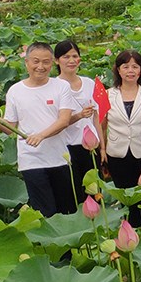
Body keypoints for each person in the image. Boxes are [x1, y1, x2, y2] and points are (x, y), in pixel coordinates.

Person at [0, 42, 81, 216]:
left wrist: (41, 136)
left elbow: (64, 120)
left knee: (66, 210)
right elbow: (10, 128)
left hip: (59, 158)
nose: (41, 66)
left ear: (52, 63)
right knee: (45, 211)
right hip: (31, 160)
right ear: (27, 63)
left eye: (46, 62)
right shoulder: (15, 91)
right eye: (36, 61)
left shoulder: (61, 87)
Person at [101, 49, 141, 224]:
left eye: (135, 66)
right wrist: (102, 149)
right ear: (118, 70)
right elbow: (102, 125)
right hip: (117, 153)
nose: (130, 71)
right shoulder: (107, 95)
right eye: (126, 66)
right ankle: (128, 232)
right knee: (125, 197)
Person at [54, 39, 98, 193]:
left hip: (91, 147)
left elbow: (97, 118)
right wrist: (79, 115)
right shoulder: (53, 86)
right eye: (66, 57)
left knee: (94, 191)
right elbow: (56, 122)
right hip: (65, 147)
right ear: (57, 60)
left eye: (75, 56)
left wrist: (103, 146)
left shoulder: (89, 83)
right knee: (73, 191)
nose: (71, 60)